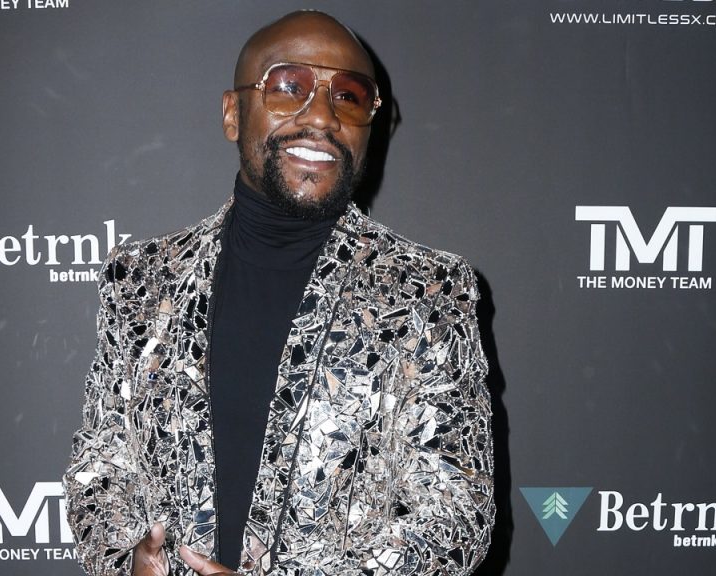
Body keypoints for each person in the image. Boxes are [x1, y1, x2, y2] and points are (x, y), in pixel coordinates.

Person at [64, 10, 494, 576]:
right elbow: (100, 467)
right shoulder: (142, 281)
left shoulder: (425, 293)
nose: (321, 116)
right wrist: (127, 563)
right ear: (232, 113)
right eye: (289, 86)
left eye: (349, 97)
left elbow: (456, 515)